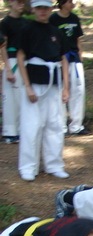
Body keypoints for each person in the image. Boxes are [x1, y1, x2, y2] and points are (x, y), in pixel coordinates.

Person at [16, 0, 70, 182]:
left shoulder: (56, 31)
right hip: (34, 83)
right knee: (31, 125)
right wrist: (27, 86)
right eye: (39, 8)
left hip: (54, 84)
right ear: (33, 9)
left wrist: (66, 87)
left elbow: (63, 59)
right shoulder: (27, 29)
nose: (42, 11)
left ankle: (54, 164)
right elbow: (21, 56)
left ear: (50, 9)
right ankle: (28, 166)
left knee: (54, 125)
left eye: (46, 8)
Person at [50, 0, 89, 135]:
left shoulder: (74, 18)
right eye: (69, 1)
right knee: (60, 90)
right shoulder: (53, 19)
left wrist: (80, 56)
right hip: (59, 58)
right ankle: (61, 126)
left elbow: (78, 39)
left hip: (74, 57)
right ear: (62, 3)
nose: (72, 4)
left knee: (78, 90)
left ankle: (76, 125)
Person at [0, 0, 29, 144]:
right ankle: (10, 132)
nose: (21, 4)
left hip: (25, 61)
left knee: (22, 97)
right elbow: (3, 47)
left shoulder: (26, 23)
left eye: (23, 2)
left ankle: (21, 130)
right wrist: (8, 69)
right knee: (11, 99)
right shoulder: (5, 23)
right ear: (11, 2)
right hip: (12, 62)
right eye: (18, 2)